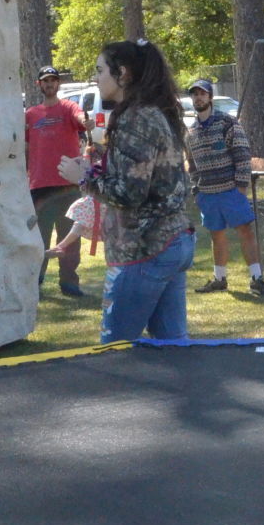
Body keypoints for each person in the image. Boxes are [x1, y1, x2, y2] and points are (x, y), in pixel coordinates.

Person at [57, 40, 195, 343]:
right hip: (172, 241)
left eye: (100, 70)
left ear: (123, 73)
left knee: (115, 352)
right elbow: (145, 179)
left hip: (144, 250)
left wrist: (83, 178)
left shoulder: (135, 119)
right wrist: (95, 171)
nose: (96, 78)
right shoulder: (155, 113)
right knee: (173, 349)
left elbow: (129, 193)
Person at [185, 79, 264, 297]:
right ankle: (219, 278)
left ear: (210, 97)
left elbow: (242, 155)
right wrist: (197, 190)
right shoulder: (191, 132)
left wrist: (241, 187)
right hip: (207, 193)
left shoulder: (228, 123)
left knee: (245, 231)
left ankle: (256, 278)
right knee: (216, 235)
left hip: (231, 190)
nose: (199, 98)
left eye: (202, 93)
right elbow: (192, 164)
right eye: (195, 94)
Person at [25, 66, 88, 298]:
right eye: (45, 81)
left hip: (68, 185)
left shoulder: (69, 108)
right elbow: (20, 145)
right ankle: (35, 282)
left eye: (53, 80)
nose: (50, 84)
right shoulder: (30, 115)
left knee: (69, 236)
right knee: (37, 238)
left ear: (58, 84)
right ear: (38, 84)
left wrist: (86, 121)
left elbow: (80, 118)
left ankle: (69, 283)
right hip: (39, 186)